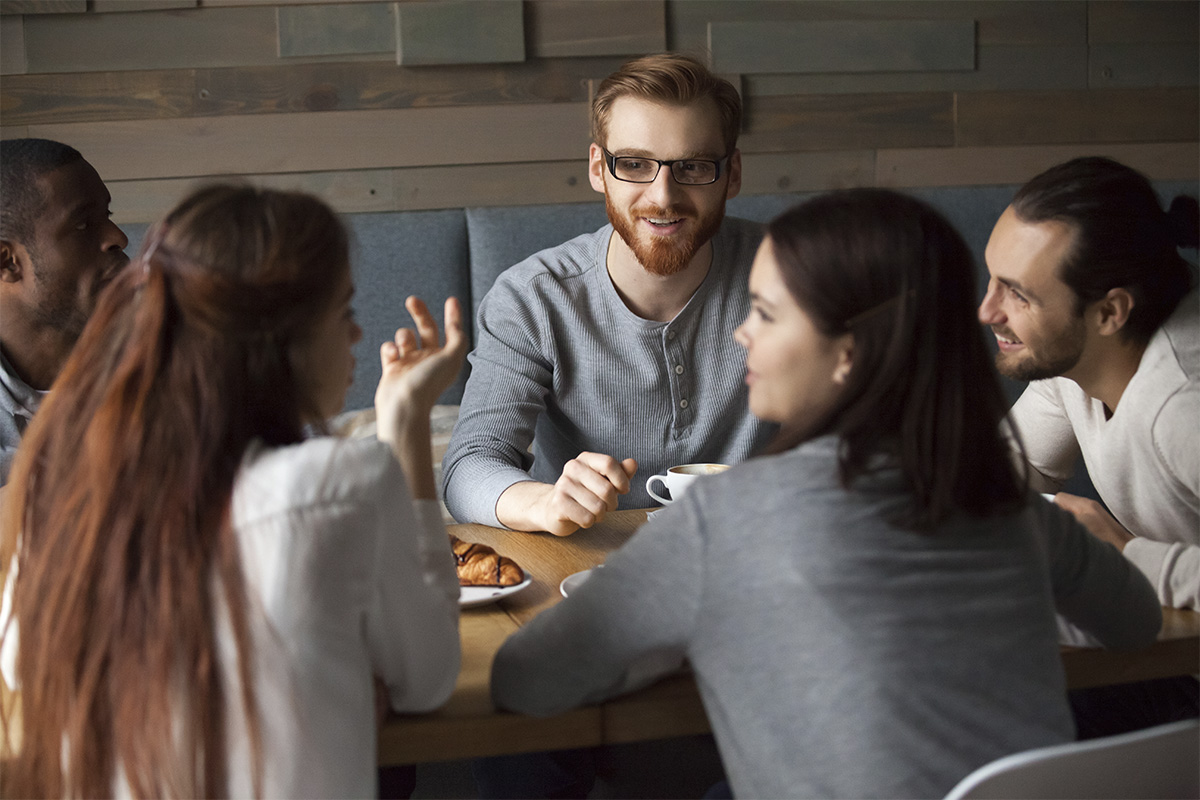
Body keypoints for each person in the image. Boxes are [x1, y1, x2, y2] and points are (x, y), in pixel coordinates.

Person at [489, 189, 1162, 799]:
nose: (741, 333)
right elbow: (1136, 621)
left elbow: (526, 680)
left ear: (850, 353)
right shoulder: (1004, 500)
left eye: (766, 313)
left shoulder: (723, 521)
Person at [0, 185, 467, 797]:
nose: (357, 336)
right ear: (281, 340)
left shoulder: (58, 487)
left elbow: (18, 662)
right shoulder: (344, 482)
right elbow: (427, 679)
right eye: (344, 312)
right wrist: (403, 422)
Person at [442, 53, 773, 535]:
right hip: (587, 570)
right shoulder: (532, 299)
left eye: (694, 166)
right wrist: (543, 502)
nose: (663, 196)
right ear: (599, 168)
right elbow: (469, 466)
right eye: (635, 164)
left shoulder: (794, 274)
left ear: (733, 173)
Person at [978, 156, 1199, 739]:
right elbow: (1003, 473)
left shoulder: (1185, 404)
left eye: (1017, 294)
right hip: (1156, 667)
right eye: (992, 277)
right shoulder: (1074, 353)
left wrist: (1125, 554)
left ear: (1110, 311)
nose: (987, 310)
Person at [0, 138, 130, 485]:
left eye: (108, 217)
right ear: (7, 262)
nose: (118, 237)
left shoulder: (178, 358)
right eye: (83, 225)